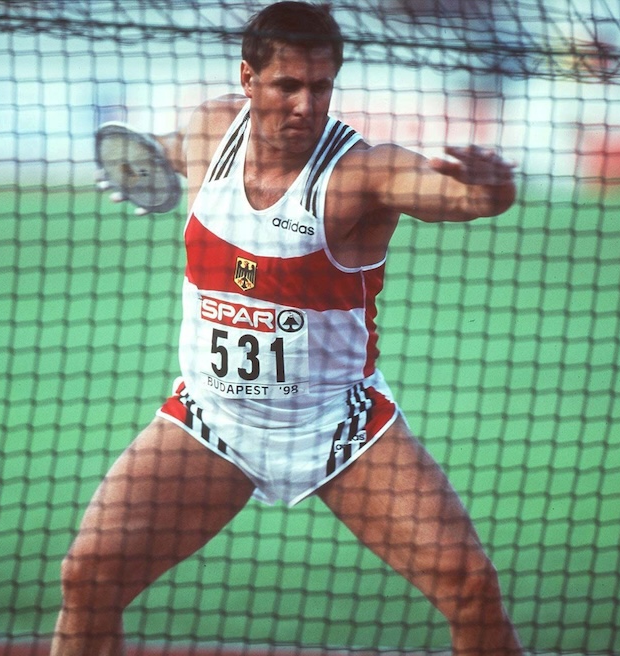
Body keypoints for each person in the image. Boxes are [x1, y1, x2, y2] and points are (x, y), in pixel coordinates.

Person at [52, 2, 522, 655]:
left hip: (337, 426)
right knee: (87, 575)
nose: (306, 103)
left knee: (471, 586)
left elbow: (454, 197)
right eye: (287, 86)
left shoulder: (363, 173)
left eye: (321, 87)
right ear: (249, 77)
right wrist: (140, 162)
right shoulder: (210, 130)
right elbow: (163, 155)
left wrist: (489, 191)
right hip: (210, 420)